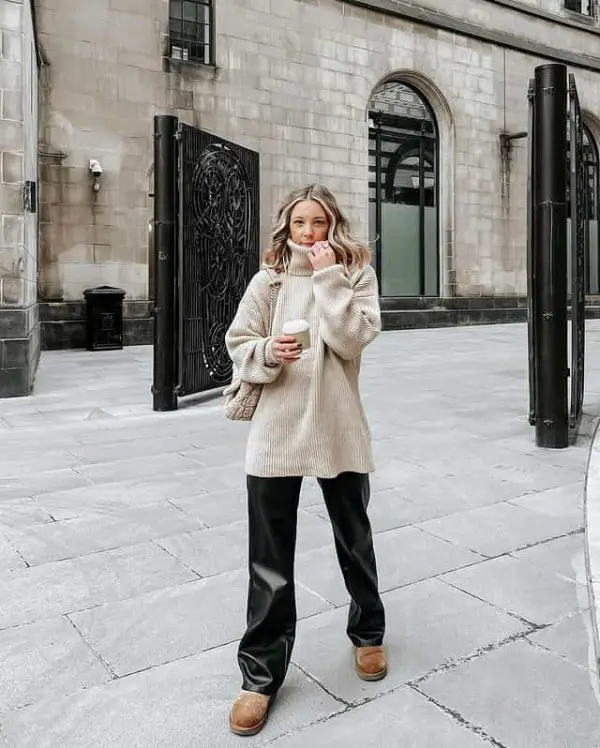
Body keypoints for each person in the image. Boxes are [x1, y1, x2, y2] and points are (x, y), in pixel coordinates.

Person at [225, 184, 387, 737]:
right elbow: (238, 339)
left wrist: (327, 277)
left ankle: (368, 634)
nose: (310, 232)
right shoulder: (267, 280)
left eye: (319, 222)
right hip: (277, 431)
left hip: (339, 428)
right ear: (287, 227)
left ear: (332, 224)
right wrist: (268, 351)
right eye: (301, 223)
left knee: (355, 537)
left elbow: (353, 339)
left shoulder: (355, 274)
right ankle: (260, 674)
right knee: (268, 558)